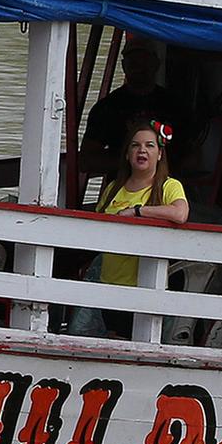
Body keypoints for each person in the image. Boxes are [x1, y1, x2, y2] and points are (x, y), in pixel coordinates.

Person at [92, 120, 189, 338]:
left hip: (144, 284)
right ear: (127, 154)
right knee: (113, 338)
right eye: (135, 145)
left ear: (160, 154)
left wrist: (137, 212)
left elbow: (180, 214)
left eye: (149, 145)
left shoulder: (169, 186)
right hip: (109, 281)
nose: (142, 150)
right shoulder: (113, 188)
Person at [79, 36, 190, 179]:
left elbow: (191, 157)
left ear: (156, 64)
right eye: (134, 62)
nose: (139, 68)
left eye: (145, 62)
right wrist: (133, 162)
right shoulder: (107, 108)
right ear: (124, 66)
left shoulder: (174, 105)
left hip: (166, 186)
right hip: (122, 189)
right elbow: (86, 161)